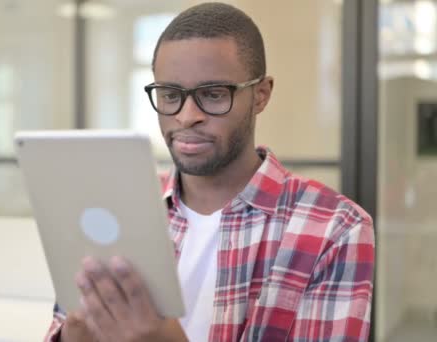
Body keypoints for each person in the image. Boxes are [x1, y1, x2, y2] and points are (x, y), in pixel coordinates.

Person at [45, 2, 374, 341]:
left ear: (261, 95)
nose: (186, 117)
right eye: (170, 94)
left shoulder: (335, 228)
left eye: (213, 94)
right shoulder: (114, 208)